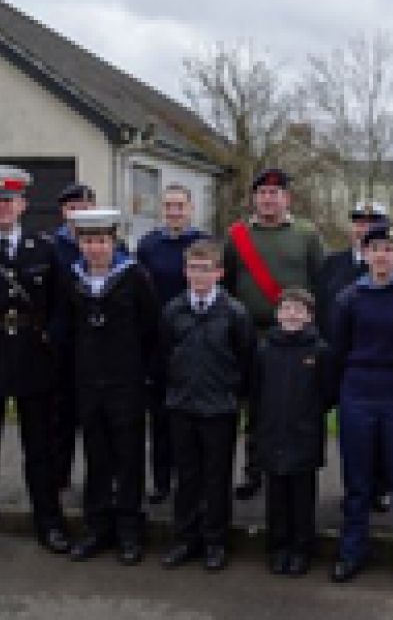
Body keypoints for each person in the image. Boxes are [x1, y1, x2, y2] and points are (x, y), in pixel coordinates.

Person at [0, 165, 69, 560]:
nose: (2, 208)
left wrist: (51, 343)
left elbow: (61, 306)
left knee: (40, 447)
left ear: (23, 204)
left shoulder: (44, 248)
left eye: (9, 201)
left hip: (32, 353)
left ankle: (50, 524)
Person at [331, 220, 393, 590]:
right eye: (375, 249)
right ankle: (352, 552)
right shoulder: (348, 298)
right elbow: (338, 350)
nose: (382, 256)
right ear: (366, 253)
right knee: (357, 482)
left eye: (389, 250)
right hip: (357, 392)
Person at [223, 168, 324, 501]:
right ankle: (255, 469)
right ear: (254, 198)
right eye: (263, 193)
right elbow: (226, 285)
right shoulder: (236, 236)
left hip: (295, 334)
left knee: (293, 406)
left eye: (275, 193)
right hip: (250, 333)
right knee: (255, 404)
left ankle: (295, 468)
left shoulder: (307, 234)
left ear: (286, 198)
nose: (268, 199)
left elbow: (319, 283)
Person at [66, 208, 159, 565]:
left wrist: (142, 375)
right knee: (96, 457)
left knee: (129, 458)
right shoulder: (73, 279)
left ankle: (129, 532)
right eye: (88, 241)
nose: (95, 248)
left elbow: (150, 330)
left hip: (127, 384)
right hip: (89, 384)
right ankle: (96, 528)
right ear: (80, 244)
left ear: (113, 242)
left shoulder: (134, 278)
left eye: (102, 241)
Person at [160, 239, 254, 572]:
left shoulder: (234, 312)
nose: (199, 276)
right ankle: (185, 539)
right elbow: (165, 354)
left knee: (217, 479)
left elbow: (244, 359)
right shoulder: (173, 310)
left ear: (219, 273)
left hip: (219, 409)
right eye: (193, 269)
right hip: (183, 406)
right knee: (186, 477)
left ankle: (215, 541)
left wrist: (232, 395)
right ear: (185, 272)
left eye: (206, 269)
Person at [318, 200, 393, 514]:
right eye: (359, 222)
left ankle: (381, 489)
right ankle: (354, 489)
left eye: (373, 222)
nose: (364, 228)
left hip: (387, 366)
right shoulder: (333, 263)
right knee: (354, 438)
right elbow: (322, 307)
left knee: (387, 439)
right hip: (346, 362)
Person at [254, 287, 334, 577]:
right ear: (277, 315)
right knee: (276, 496)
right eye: (286, 309)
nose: (292, 315)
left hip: (304, 434)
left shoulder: (320, 351)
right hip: (272, 431)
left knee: (302, 497)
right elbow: (256, 390)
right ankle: (278, 548)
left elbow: (328, 392)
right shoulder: (264, 349)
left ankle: (301, 550)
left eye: (299, 310)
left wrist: (309, 416)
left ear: (310, 316)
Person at [137, 183, 208, 505]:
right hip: (158, 340)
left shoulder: (204, 244)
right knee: (161, 416)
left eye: (180, 205)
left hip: (196, 339)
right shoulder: (148, 245)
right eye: (169, 206)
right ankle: (161, 480)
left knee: (193, 418)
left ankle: (190, 480)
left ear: (191, 208)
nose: (174, 211)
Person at [50, 182, 97, 493]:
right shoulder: (50, 246)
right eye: (71, 208)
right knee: (60, 415)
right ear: (63, 212)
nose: (77, 213)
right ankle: (59, 477)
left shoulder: (110, 244)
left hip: (98, 344)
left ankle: (102, 478)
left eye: (83, 207)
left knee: (97, 417)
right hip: (62, 342)